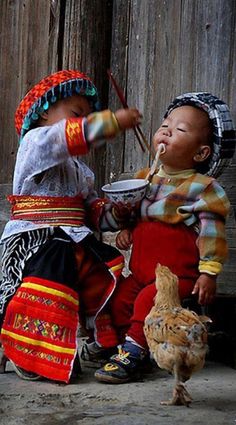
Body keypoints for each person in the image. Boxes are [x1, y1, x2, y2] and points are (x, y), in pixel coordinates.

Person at [0, 69, 142, 383]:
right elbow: (63, 137)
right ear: (43, 111)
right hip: (36, 239)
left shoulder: (81, 170)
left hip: (73, 238)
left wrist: (116, 215)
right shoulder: (35, 143)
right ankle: (31, 352)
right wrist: (112, 121)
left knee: (105, 271)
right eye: (76, 114)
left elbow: (92, 211)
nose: (81, 121)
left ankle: (102, 342)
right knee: (55, 275)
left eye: (85, 117)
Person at [94, 92, 236, 384]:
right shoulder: (146, 179)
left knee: (150, 298)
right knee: (120, 297)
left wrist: (208, 273)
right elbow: (136, 216)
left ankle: (132, 351)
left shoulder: (203, 188)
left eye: (180, 130)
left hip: (174, 277)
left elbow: (211, 234)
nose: (167, 130)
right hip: (141, 272)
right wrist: (126, 229)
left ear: (200, 153)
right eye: (165, 124)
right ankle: (130, 346)